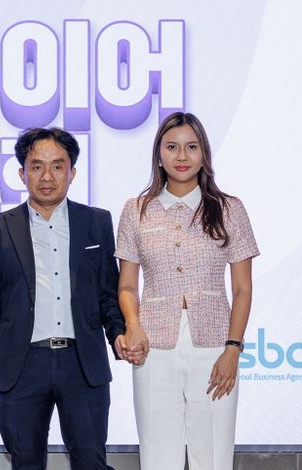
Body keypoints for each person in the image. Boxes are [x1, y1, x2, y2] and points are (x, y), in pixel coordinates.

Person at [115, 112, 259, 470]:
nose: (182, 156)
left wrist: (233, 348)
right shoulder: (136, 210)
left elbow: (242, 288)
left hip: (214, 346)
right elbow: (128, 285)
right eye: (172, 147)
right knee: (157, 454)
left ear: (204, 153)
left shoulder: (229, 209)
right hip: (152, 346)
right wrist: (133, 325)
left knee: (213, 454)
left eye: (191, 147)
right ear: (158, 154)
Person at [0, 127, 127, 470]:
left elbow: (108, 293)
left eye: (58, 166)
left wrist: (119, 333)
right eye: (37, 166)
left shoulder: (96, 222)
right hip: (21, 364)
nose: (47, 177)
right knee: (25, 462)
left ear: (72, 173)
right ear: (22, 173)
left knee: (91, 461)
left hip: (82, 362)